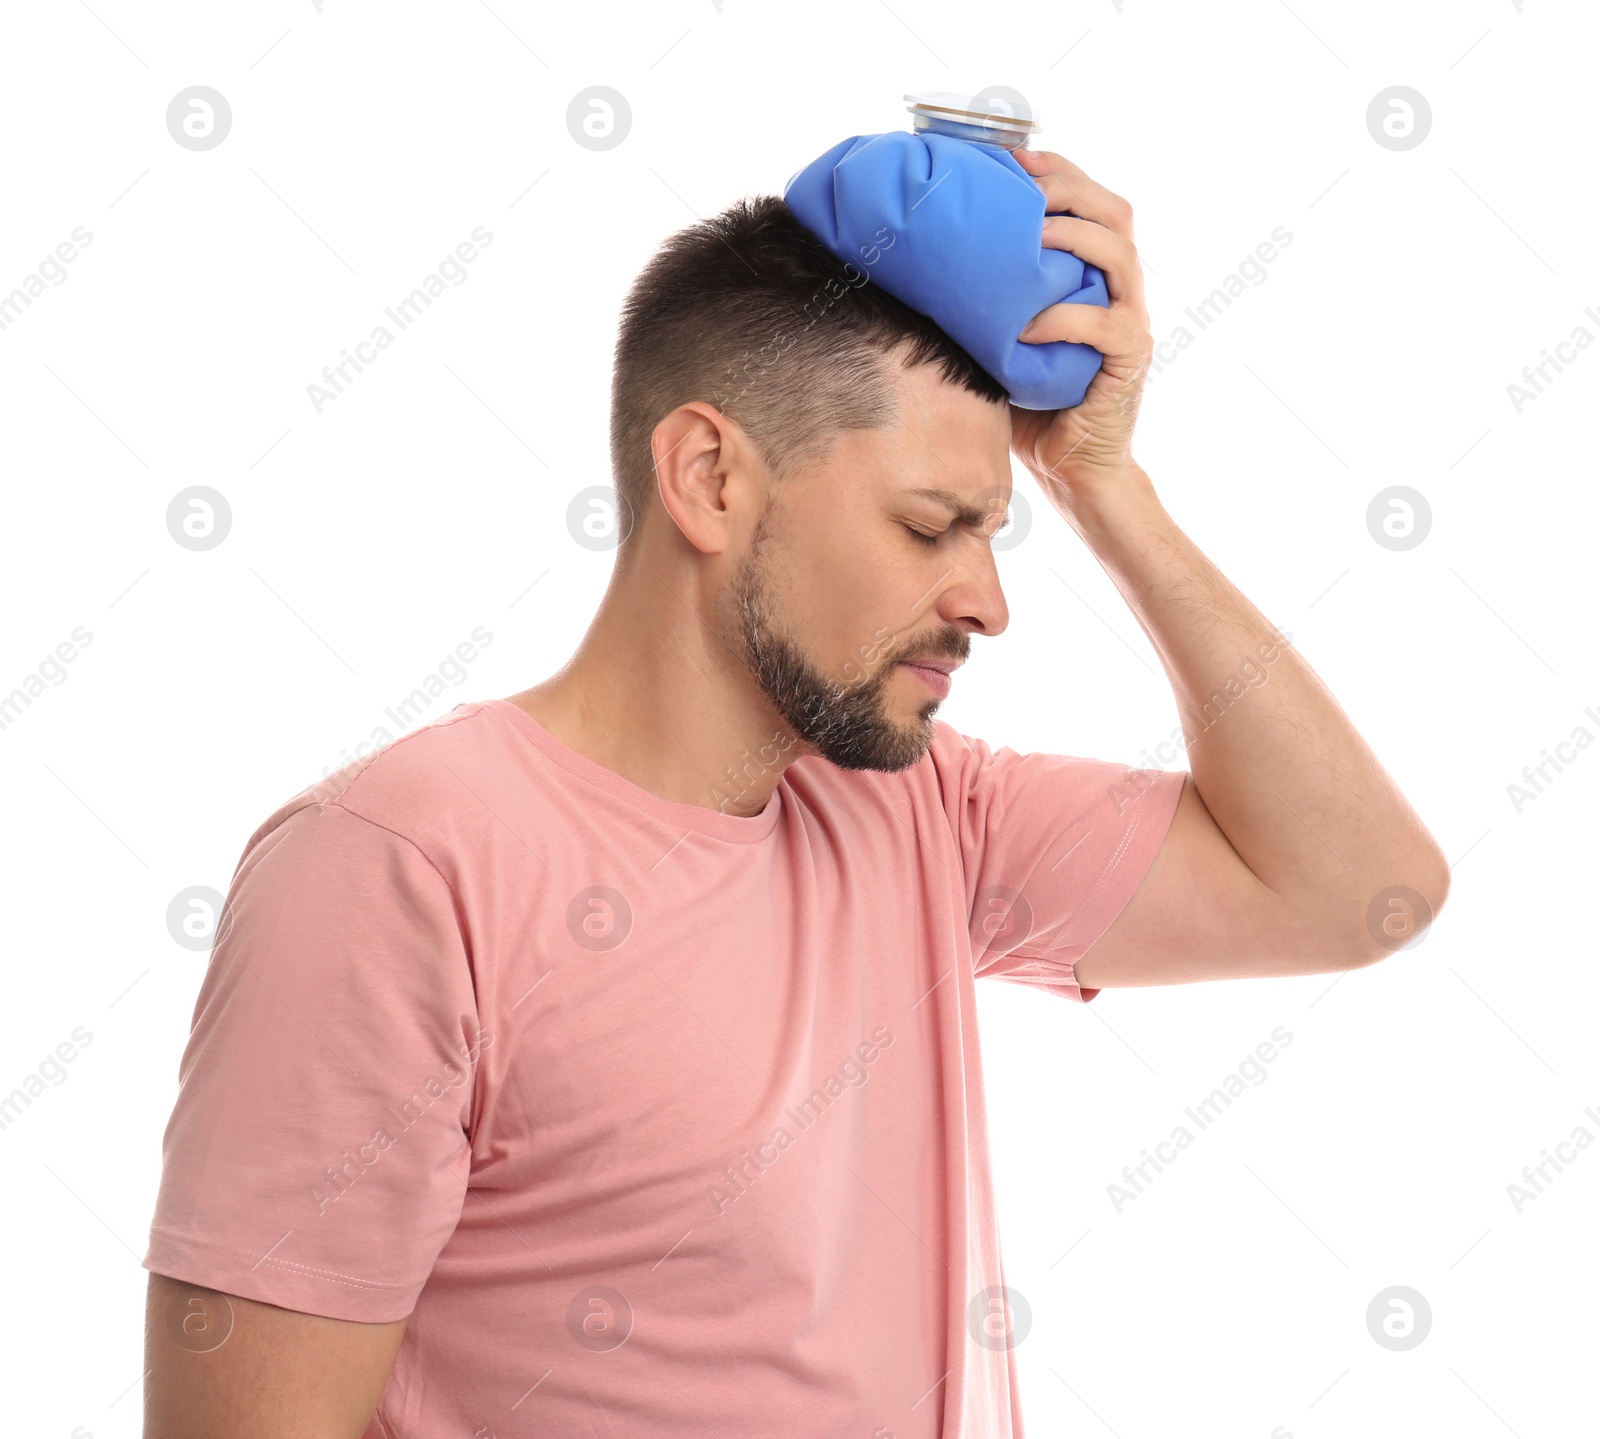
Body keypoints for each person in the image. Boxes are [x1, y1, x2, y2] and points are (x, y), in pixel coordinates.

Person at [141, 147, 1450, 1438]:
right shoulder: (395, 870)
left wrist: (1106, 485)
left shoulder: (920, 815)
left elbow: (1360, 892)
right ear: (711, 479)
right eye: (931, 526)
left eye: (996, 534)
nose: (986, 603)